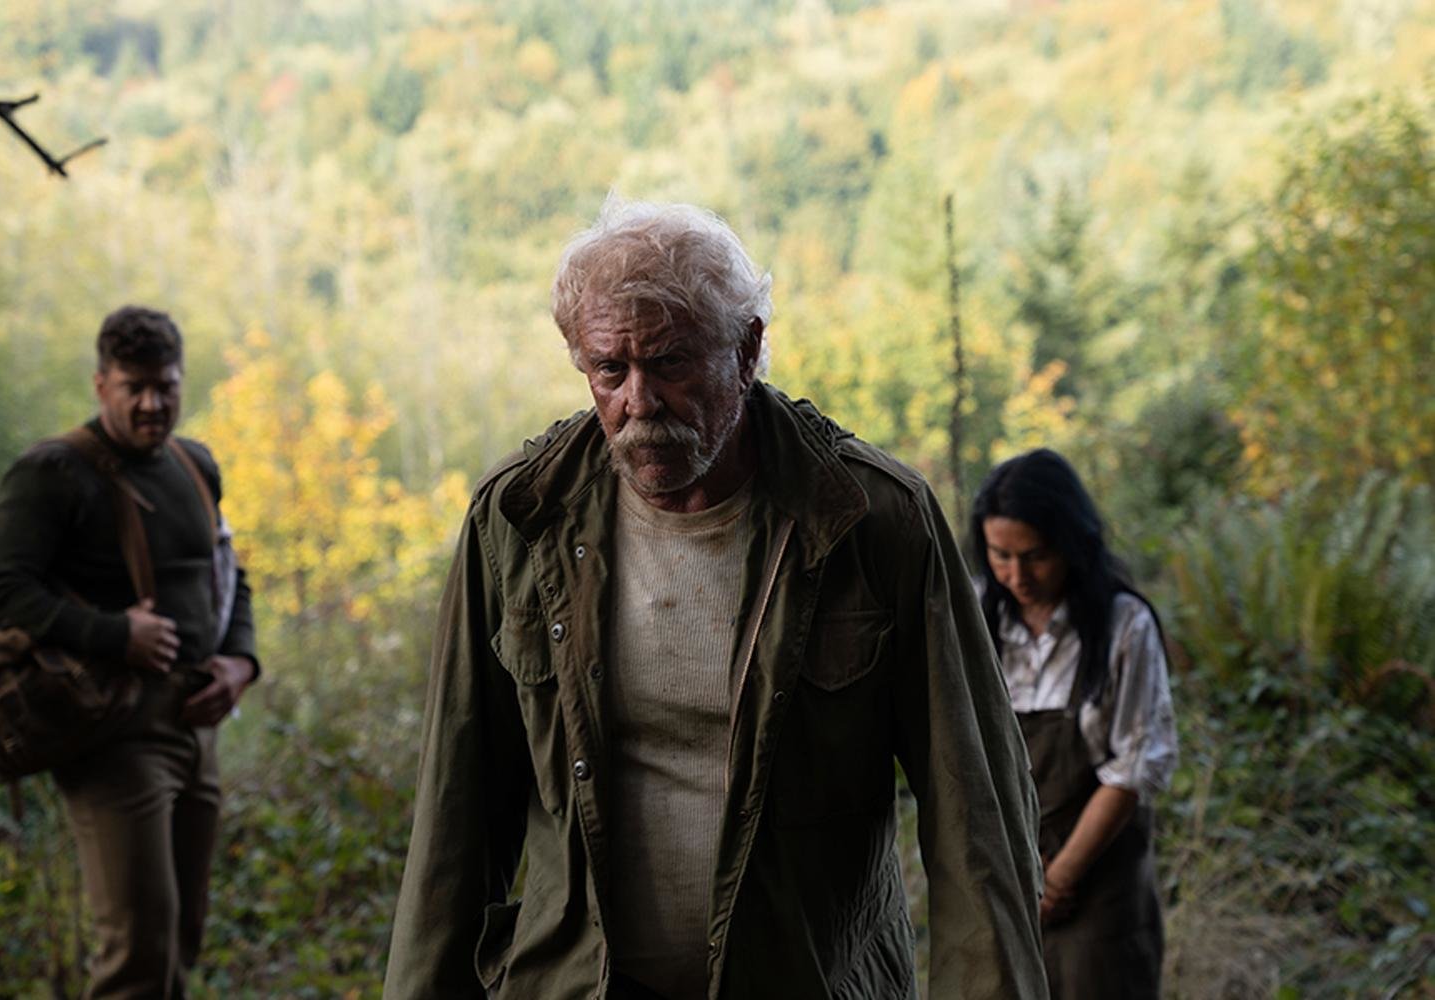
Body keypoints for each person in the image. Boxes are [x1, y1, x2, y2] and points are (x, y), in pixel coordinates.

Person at [385, 198, 1047, 1000]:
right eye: (609, 370)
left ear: (748, 350)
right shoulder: (521, 519)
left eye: (670, 363)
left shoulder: (868, 520)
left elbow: (975, 815)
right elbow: (455, 817)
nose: (639, 402)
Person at [0, 305, 259, 998]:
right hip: (113, 734)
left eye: (166, 385)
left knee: (180, 941)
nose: (153, 403)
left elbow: (229, 574)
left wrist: (242, 662)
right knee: (137, 956)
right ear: (102, 385)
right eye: (135, 388)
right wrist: (114, 633)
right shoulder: (54, 472)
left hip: (196, 726)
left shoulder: (194, 464)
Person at [969, 449, 1178, 999]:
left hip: (1099, 878)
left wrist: (1058, 878)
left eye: (1035, 556)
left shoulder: (1123, 626)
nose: (1017, 576)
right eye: (1000, 555)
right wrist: (1015, 869)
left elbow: (1133, 766)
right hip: (1005, 874)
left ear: (1071, 542)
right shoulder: (974, 614)